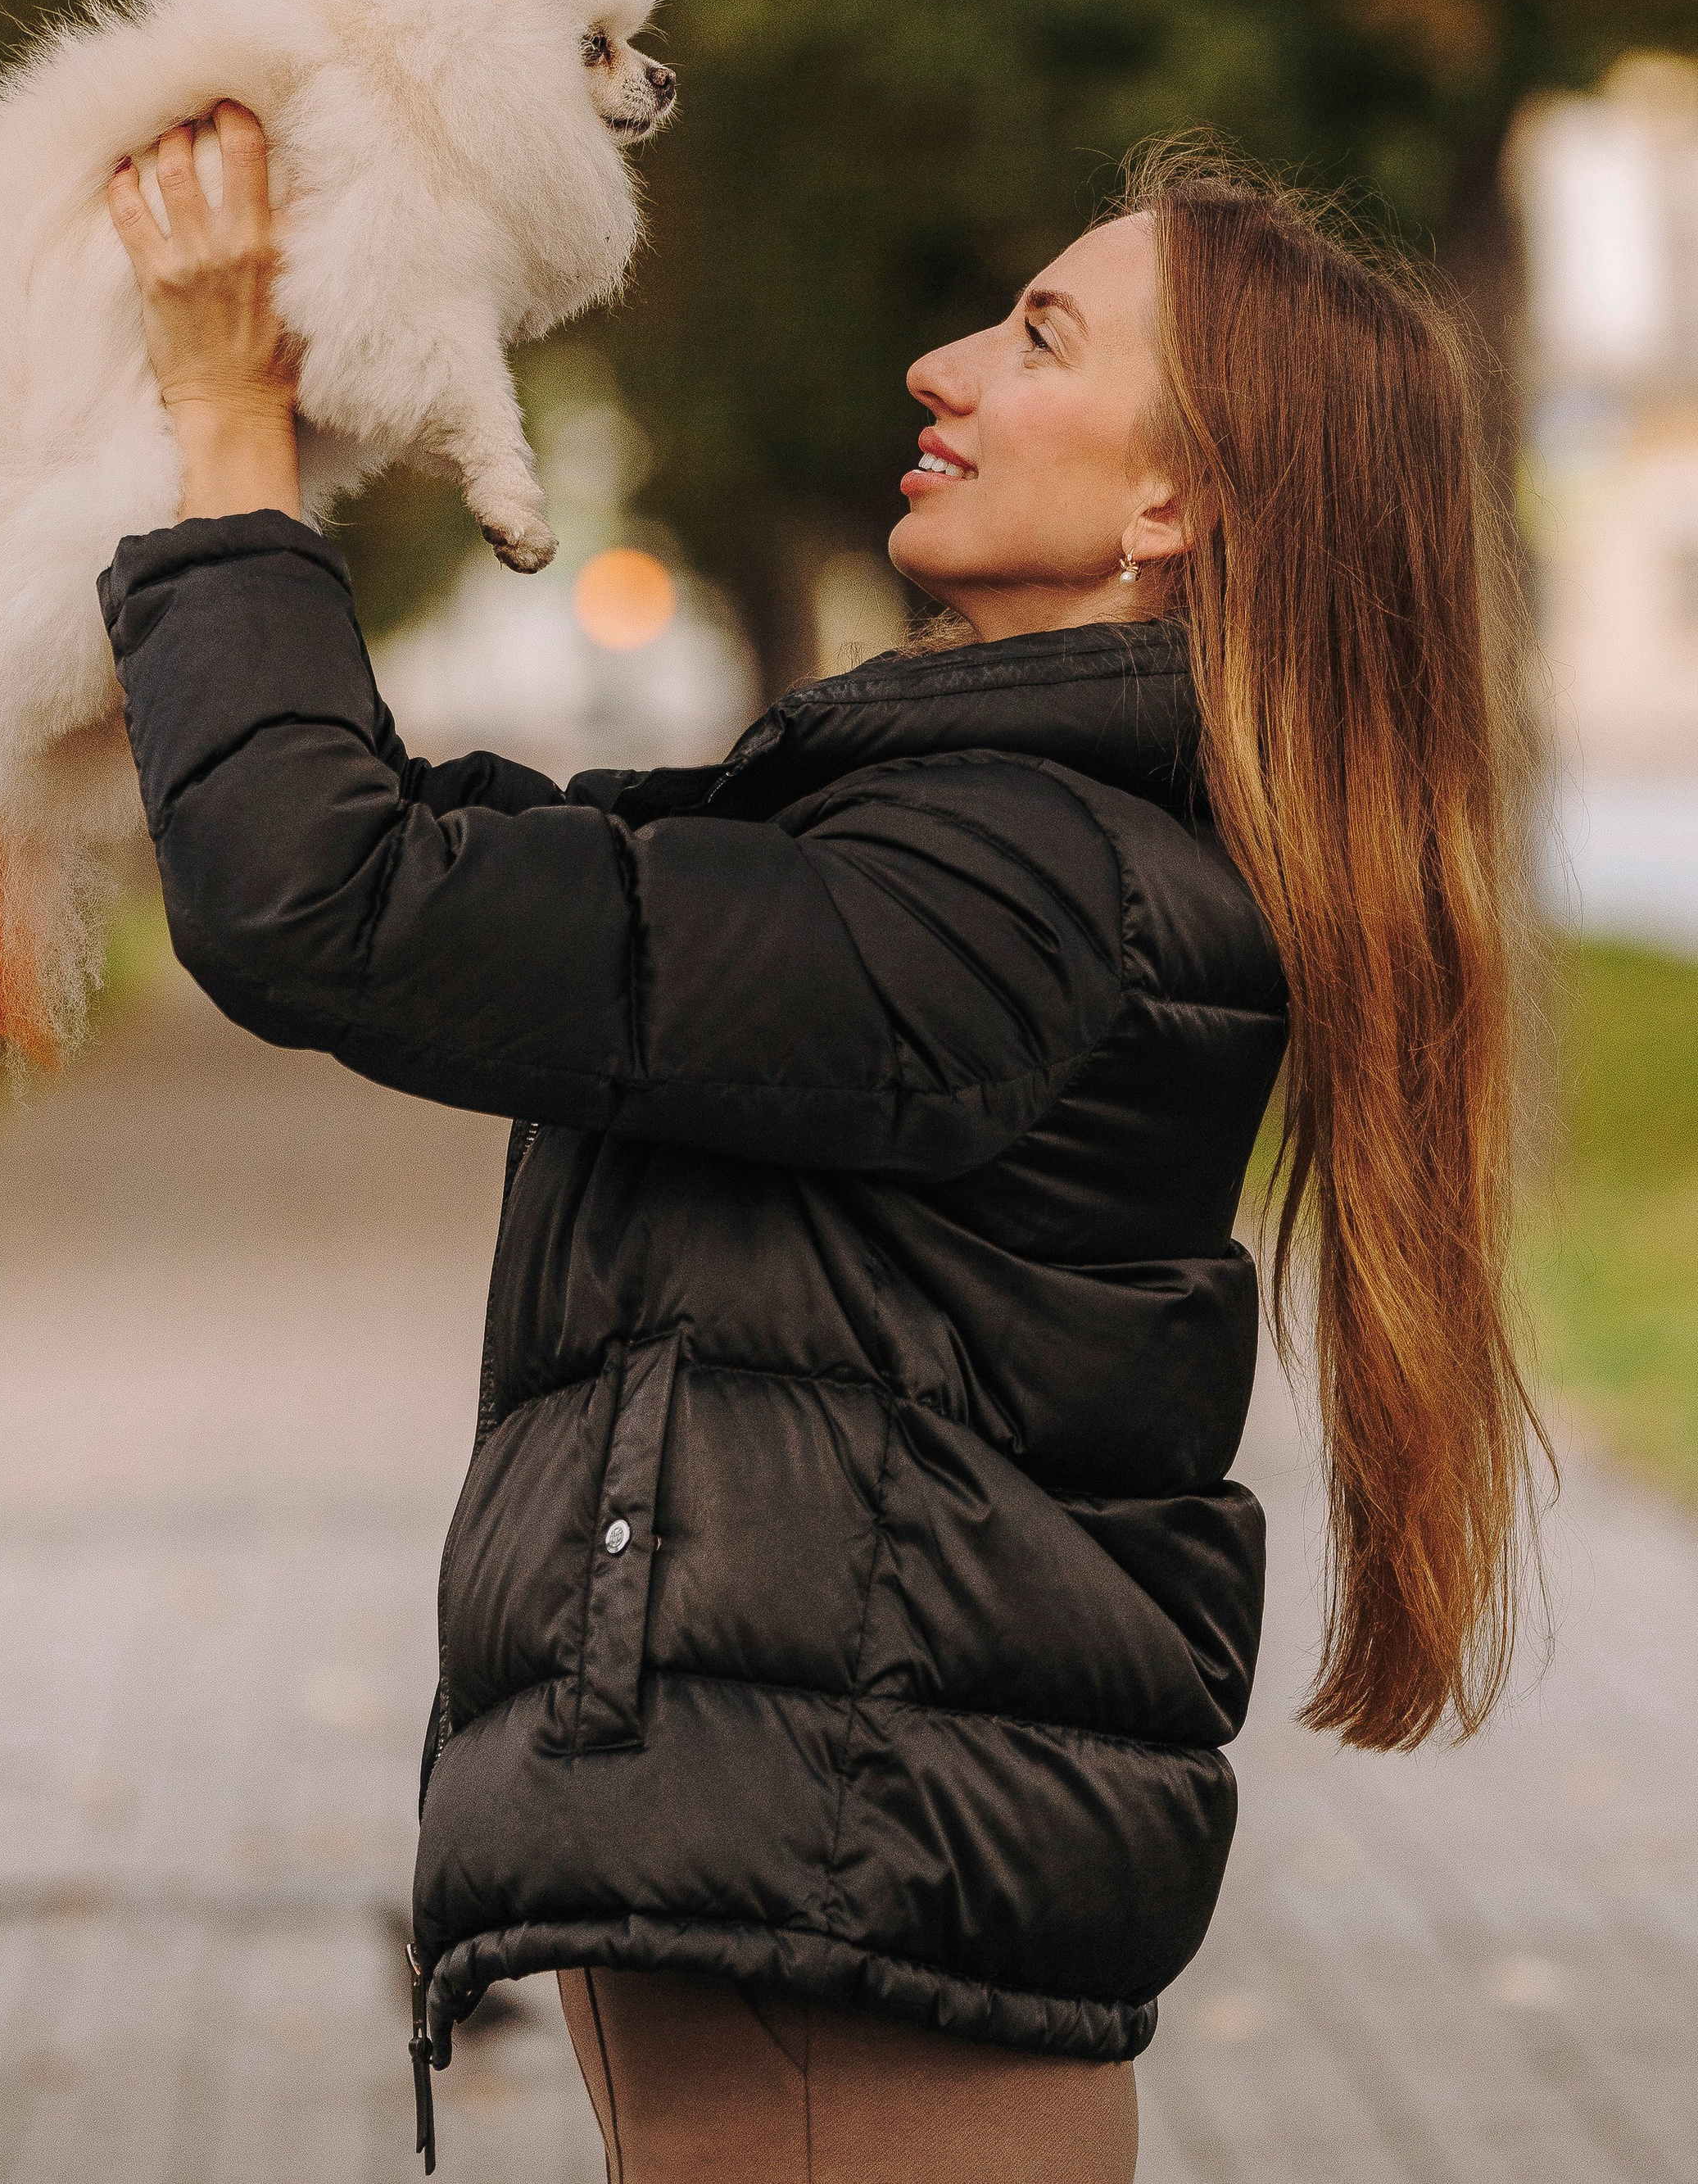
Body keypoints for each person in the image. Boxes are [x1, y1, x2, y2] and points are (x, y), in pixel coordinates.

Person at [100, 106, 1542, 2184]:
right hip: (829, 1958)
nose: (942, 364)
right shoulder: (972, 841)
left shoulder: (1022, 885)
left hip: (846, 1986)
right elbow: (448, 860)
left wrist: (226, 417)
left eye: (1038, 339)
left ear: (1178, 498)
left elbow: (326, 899)